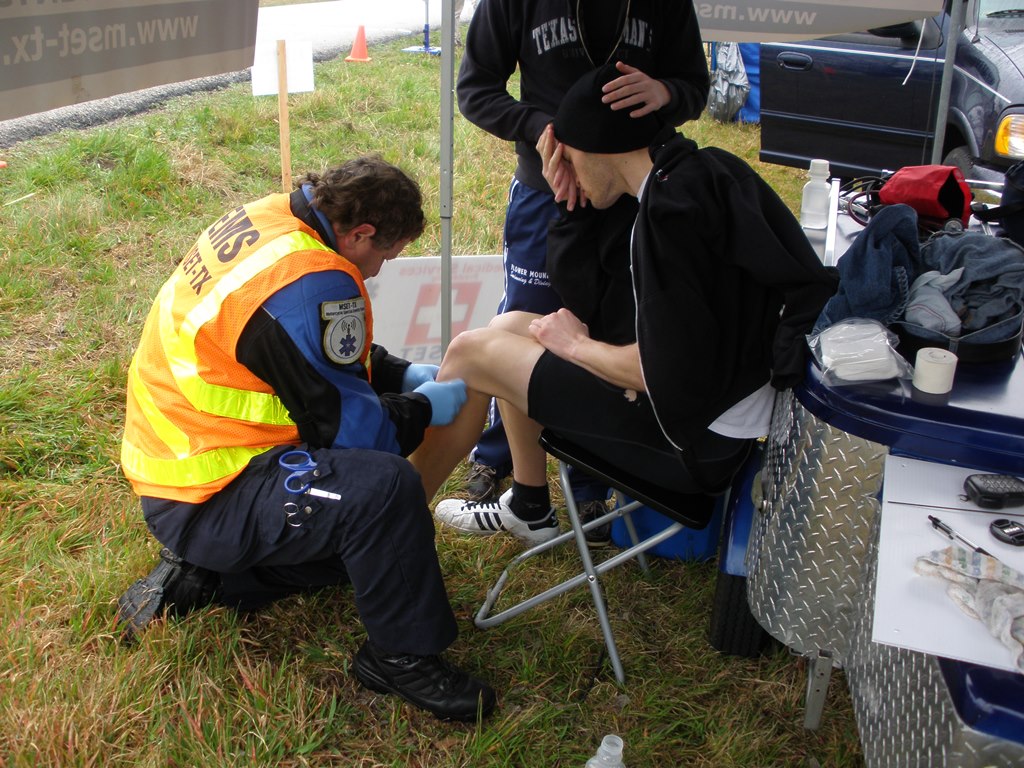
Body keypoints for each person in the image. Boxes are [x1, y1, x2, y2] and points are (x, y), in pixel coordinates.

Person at [115, 157, 496, 722]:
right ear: (360, 233)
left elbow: (303, 353)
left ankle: (213, 578)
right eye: (385, 255)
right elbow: (356, 434)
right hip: (212, 491)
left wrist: (396, 372)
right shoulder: (307, 282)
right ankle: (400, 657)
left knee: (373, 553)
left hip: (186, 467)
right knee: (385, 493)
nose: (379, 270)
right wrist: (421, 408)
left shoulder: (272, 220)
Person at [409, 63, 838, 543]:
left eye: (568, 157)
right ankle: (530, 507)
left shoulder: (669, 218)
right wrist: (569, 206)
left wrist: (575, 347)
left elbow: (657, 370)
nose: (565, 169)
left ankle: (388, 517)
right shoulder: (698, 173)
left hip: (691, 442)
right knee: (509, 326)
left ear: (595, 144)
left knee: (471, 354)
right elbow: (595, 303)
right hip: (722, 410)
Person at [455, 0, 711, 544]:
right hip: (548, 188)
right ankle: (501, 461)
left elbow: (694, 86)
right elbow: (475, 90)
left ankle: (590, 481)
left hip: (633, 191)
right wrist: (546, 128)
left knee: (612, 329)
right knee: (527, 323)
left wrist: (665, 92)